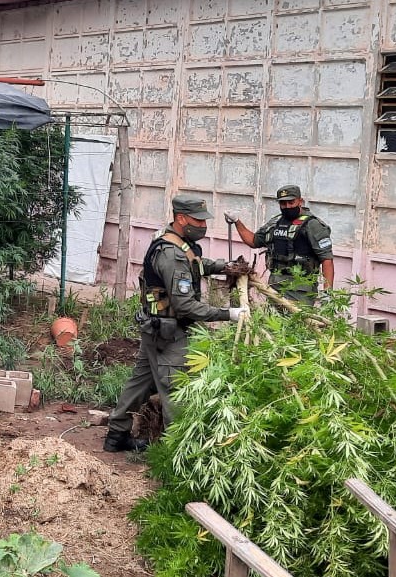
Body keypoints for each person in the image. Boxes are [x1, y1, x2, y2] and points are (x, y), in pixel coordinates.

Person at [103, 194, 248, 453]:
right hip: (169, 333)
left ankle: (116, 435)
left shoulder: (174, 242)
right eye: (198, 221)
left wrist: (223, 267)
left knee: (140, 383)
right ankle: (175, 452)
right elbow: (185, 306)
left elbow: (195, 264)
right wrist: (229, 314)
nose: (203, 226)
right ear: (181, 218)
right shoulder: (171, 254)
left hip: (155, 328)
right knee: (175, 389)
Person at [225, 184, 335, 304]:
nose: (287, 206)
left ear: (300, 201)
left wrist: (327, 293)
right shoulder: (276, 222)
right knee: (272, 316)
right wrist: (237, 221)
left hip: (300, 289)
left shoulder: (313, 225)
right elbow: (253, 241)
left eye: (291, 202)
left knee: (297, 317)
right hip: (275, 286)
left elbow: (327, 260)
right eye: (283, 203)